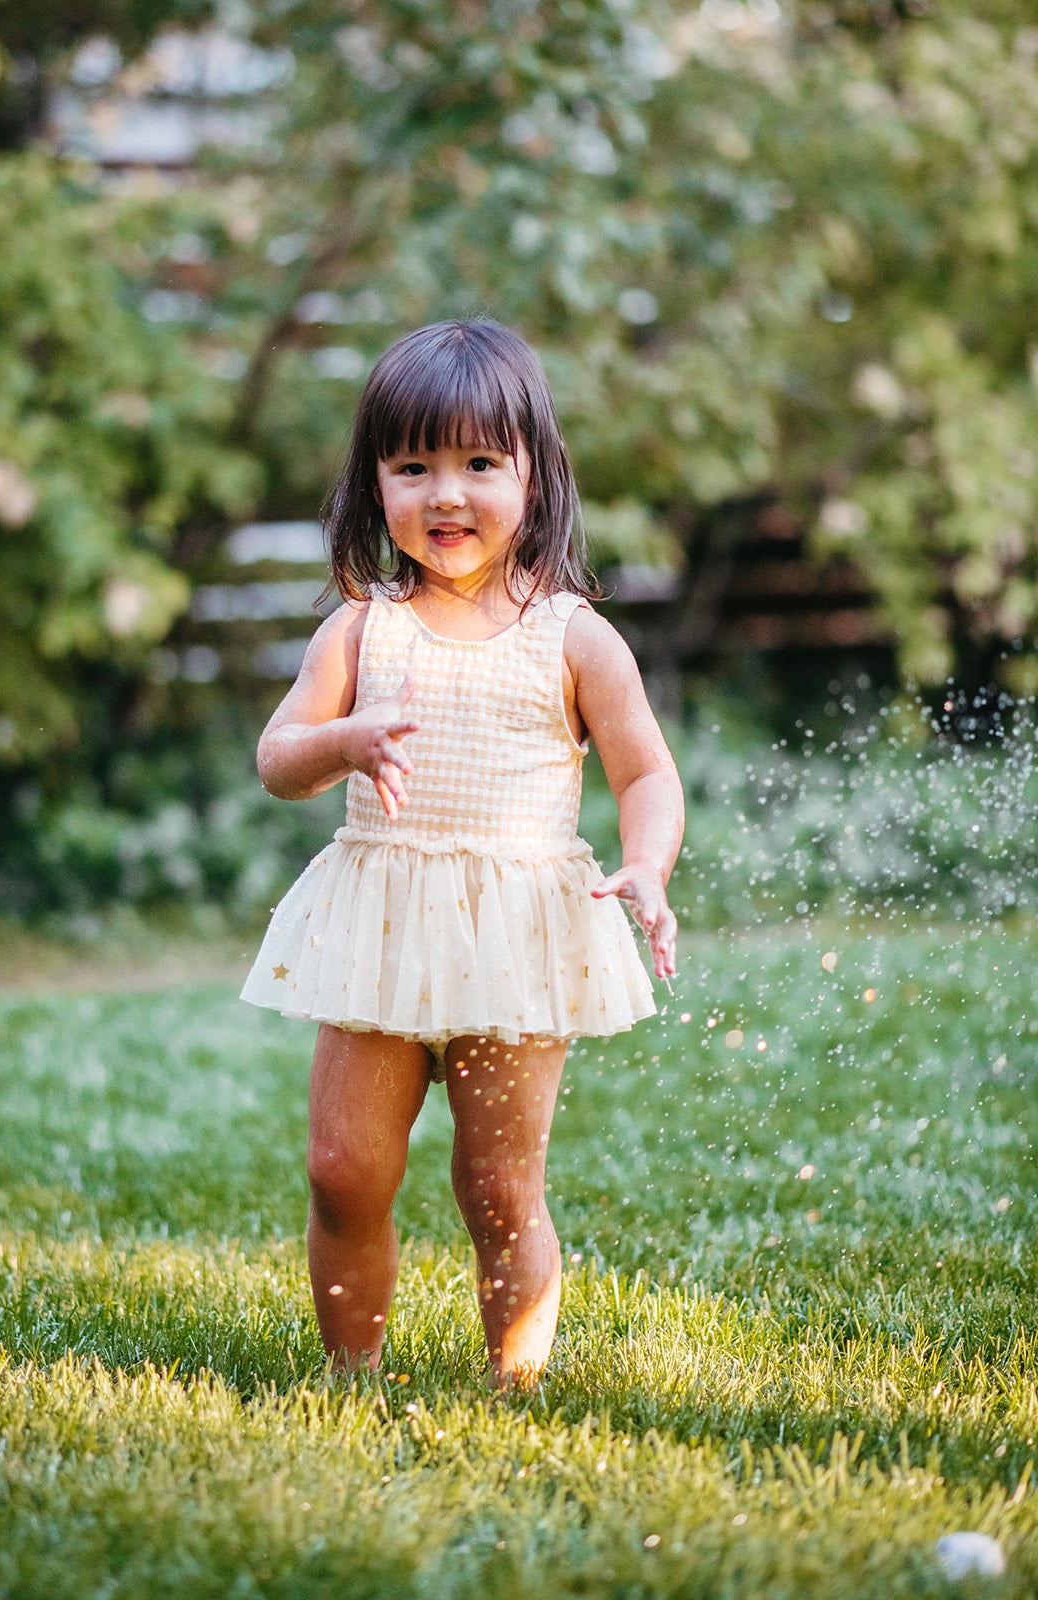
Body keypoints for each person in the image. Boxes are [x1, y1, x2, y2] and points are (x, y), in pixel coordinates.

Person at [241, 319, 683, 1387]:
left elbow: (646, 774)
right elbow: (277, 758)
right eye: (413, 466)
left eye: (479, 463)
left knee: (498, 1186)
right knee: (343, 1169)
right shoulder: (360, 628)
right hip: (381, 922)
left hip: (518, 927)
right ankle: (351, 1377)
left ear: (534, 475)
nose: (446, 494)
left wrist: (645, 866)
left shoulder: (572, 636)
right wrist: (341, 742)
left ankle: (513, 1383)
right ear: (374, 486)